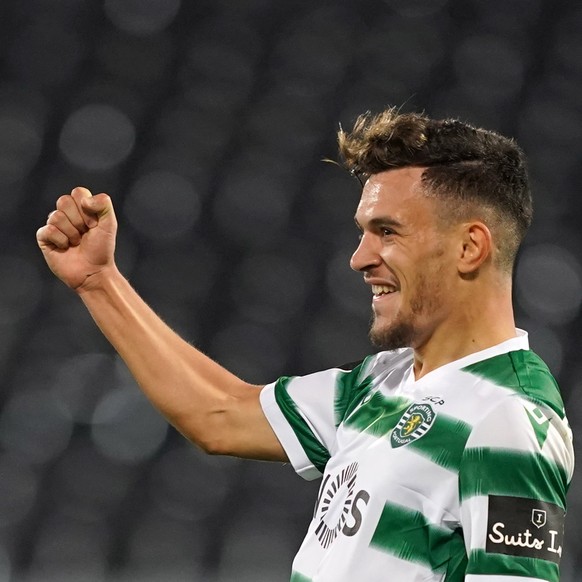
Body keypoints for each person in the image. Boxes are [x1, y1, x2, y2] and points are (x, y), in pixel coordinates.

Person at [37, 108, 574, 582]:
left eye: (387, 232)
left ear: (469, 246)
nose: (359, 258)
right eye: (363, 232)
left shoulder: (511, 417)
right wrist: (99, 281)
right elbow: (219, 414)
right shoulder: (381, 381)